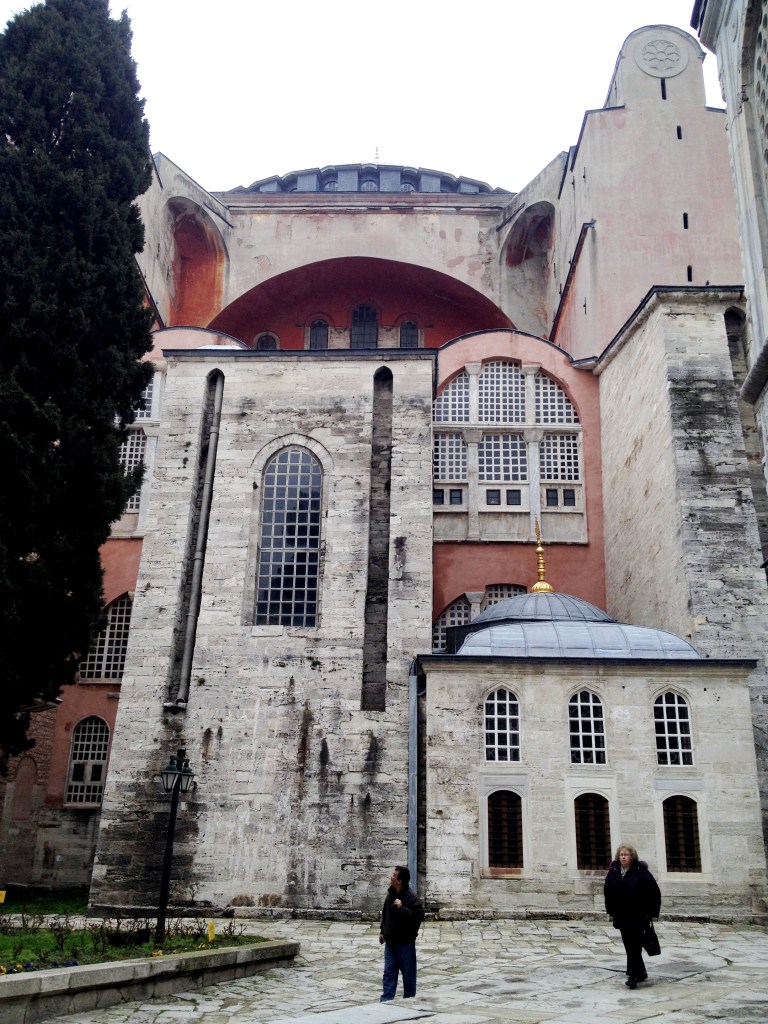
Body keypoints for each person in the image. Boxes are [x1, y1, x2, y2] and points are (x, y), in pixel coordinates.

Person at [604, 843, 661, 989]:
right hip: (622, 914)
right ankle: (640, 972)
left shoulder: (641, 872)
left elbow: (654, 892)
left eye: (626, 855)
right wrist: (611, 911)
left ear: (632, 856)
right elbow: (608, 892)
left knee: (634, 945)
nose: (623, 857)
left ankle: (633, 975)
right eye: (621, 855)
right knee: (628, 944)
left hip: (638, 914)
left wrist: (652, 913)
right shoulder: (614, 871)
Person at [379, 864, 424, 1002]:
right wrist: (382, 931)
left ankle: (409, 1001)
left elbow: (418, 917)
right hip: (391, 943)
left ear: (400, 881)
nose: (391, 877)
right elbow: (386, 913)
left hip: (405, 945)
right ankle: (386, 1001)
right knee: (389, 974)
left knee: (408, 976)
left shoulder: (411, 898)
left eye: (393, 875)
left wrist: (402, 908)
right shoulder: (391, 893)